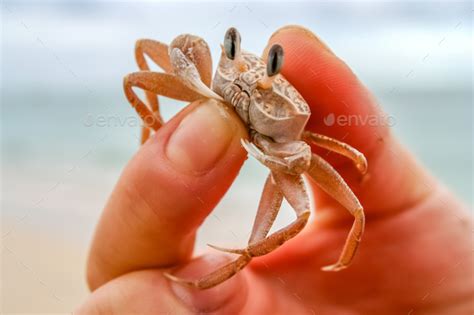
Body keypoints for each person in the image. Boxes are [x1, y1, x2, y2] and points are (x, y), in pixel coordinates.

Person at [76, 26, 473, 314]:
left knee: (318, 211)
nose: (247, 88)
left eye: (261, 82)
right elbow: (145, 56)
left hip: (280, 143)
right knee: (141, 72)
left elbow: (350, 194)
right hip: (216, 101)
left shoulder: (296, 123)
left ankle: (240, 257)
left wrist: (339, 162)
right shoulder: (225, 67)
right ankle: (155, 132)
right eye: (228, 53)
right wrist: (157, 124)